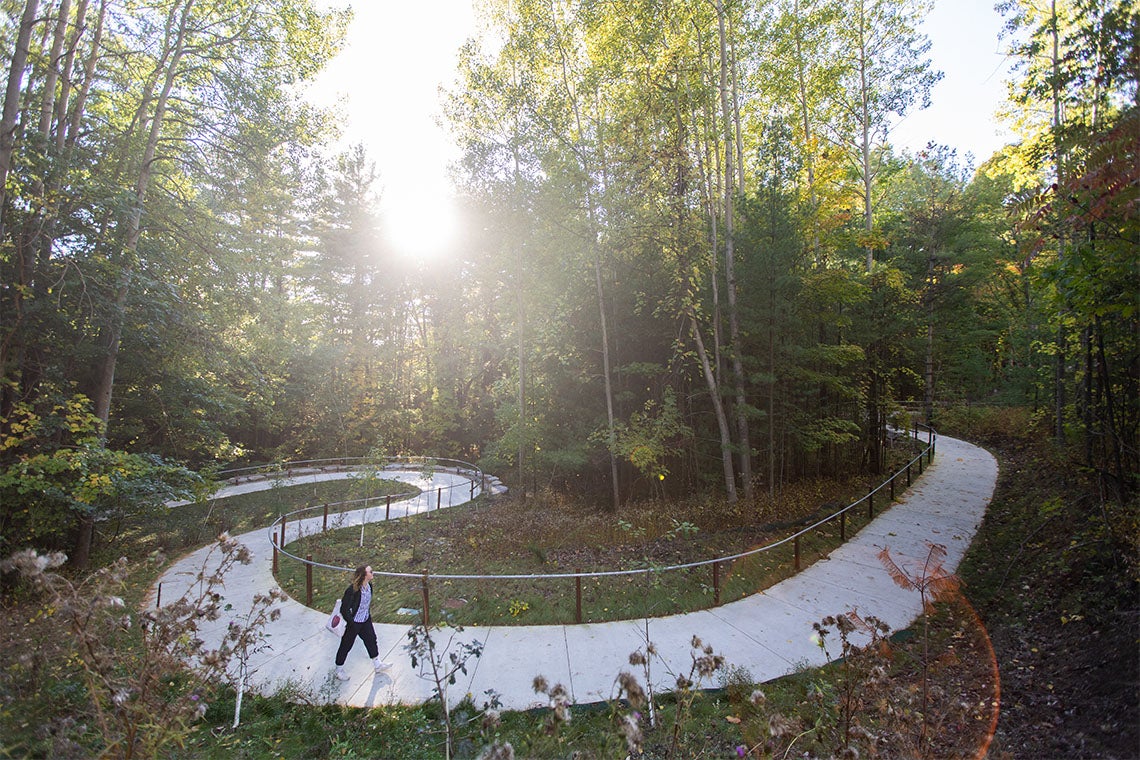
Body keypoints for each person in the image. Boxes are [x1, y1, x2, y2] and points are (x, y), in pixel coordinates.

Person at [334, 564, 392, 681]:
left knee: (371, 639)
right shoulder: (352, 590)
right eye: (370, 571)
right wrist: (351, 622)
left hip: (365, 619)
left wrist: (366, 616)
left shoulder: (369, 586)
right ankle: (338, 669)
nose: (372, 573)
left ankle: (377, 664)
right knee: (346, 645)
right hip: (354, 622)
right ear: (364, 575)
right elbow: (344, 609)